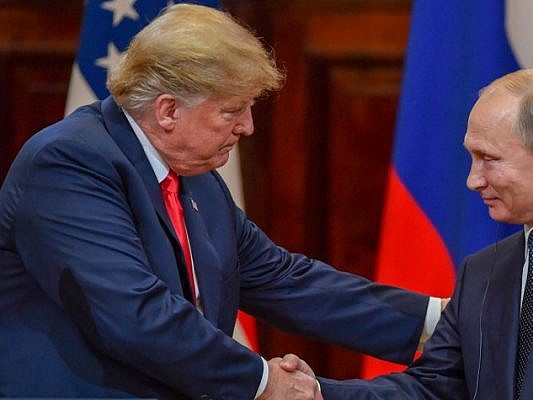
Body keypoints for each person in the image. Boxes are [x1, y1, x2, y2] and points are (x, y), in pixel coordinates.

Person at [0, 4, 446, 400]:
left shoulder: (197, 179)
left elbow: (284, 280)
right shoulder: (70, 163)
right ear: (168, 110)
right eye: (232, 111)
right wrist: (263, 382)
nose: (248, 127)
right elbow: (134, 314)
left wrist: (437, 320)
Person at [316, 68, 533, 399]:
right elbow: (430, 388)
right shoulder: (482, 273)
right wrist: (314, 393)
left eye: (488, 158)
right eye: (472, 158)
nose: (473, 180)